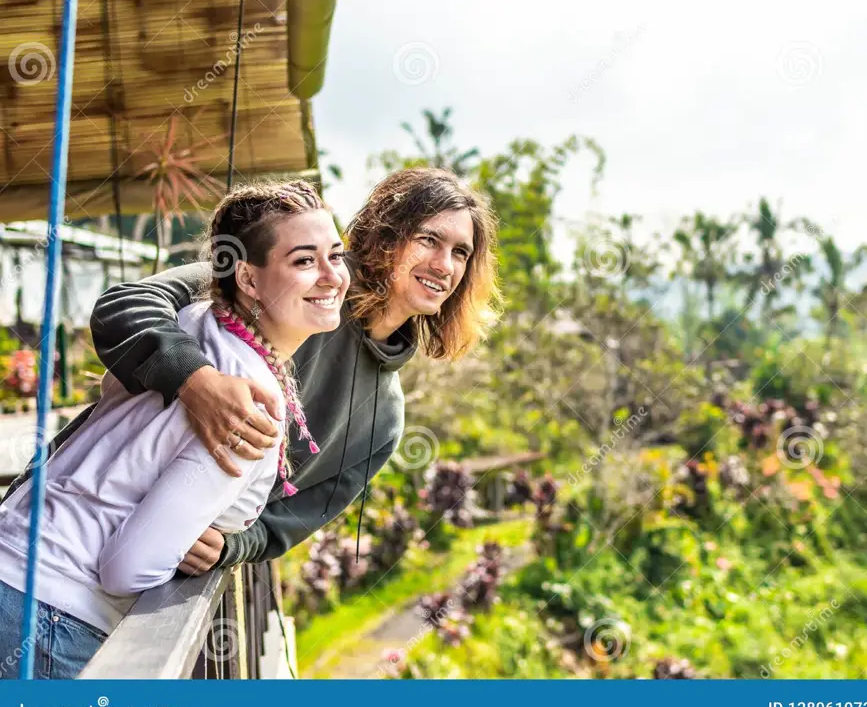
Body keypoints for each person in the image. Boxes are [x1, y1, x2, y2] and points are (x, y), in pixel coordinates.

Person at [5, 167, 501, 581]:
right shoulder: (292, 285)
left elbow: (292, 519)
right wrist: (196, 381)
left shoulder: (386, 417)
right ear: (386, 236)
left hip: (127, 577)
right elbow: (127, 304)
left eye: (461, 252)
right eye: (429, 240)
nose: (444, 264)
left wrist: (231, 545)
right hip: (50, 530)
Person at [0, 179, 349, 678]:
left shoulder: (192, 320)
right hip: (54, 614)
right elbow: (129, 568)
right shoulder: (250, 406)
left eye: (335, 255)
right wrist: (180, 542)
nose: (331, 276)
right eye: (303, 261)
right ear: (249, 280)